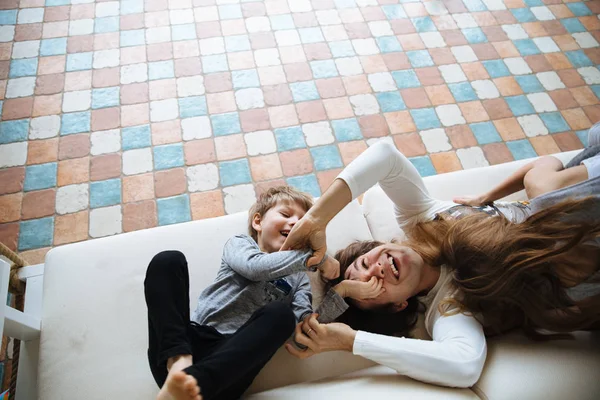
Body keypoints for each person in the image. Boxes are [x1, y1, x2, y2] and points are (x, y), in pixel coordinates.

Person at [281, 125, 600, 388]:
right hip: (583, 261)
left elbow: (385, 156)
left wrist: (316, 219)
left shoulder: (420, 217)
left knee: (552, 197)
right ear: (399, 304)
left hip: (573, 201)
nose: (374, 272)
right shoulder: (448, 307)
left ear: (378, 246)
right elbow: (464, 365)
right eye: (370, 288)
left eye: (365, 264)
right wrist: (351, 341)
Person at [144, 186, 382, 400]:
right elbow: (256, 269)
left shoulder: (299, 280)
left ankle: (191, 382)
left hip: (227, 372)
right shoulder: (240, 245)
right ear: (258, 222)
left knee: (282, 316)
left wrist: (342, 291)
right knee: (168, 261)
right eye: (286, 215)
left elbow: (305, 331)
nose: (294, 224)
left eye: (302, 223)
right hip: (185, 345)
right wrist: (316, 259)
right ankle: (180, 367)